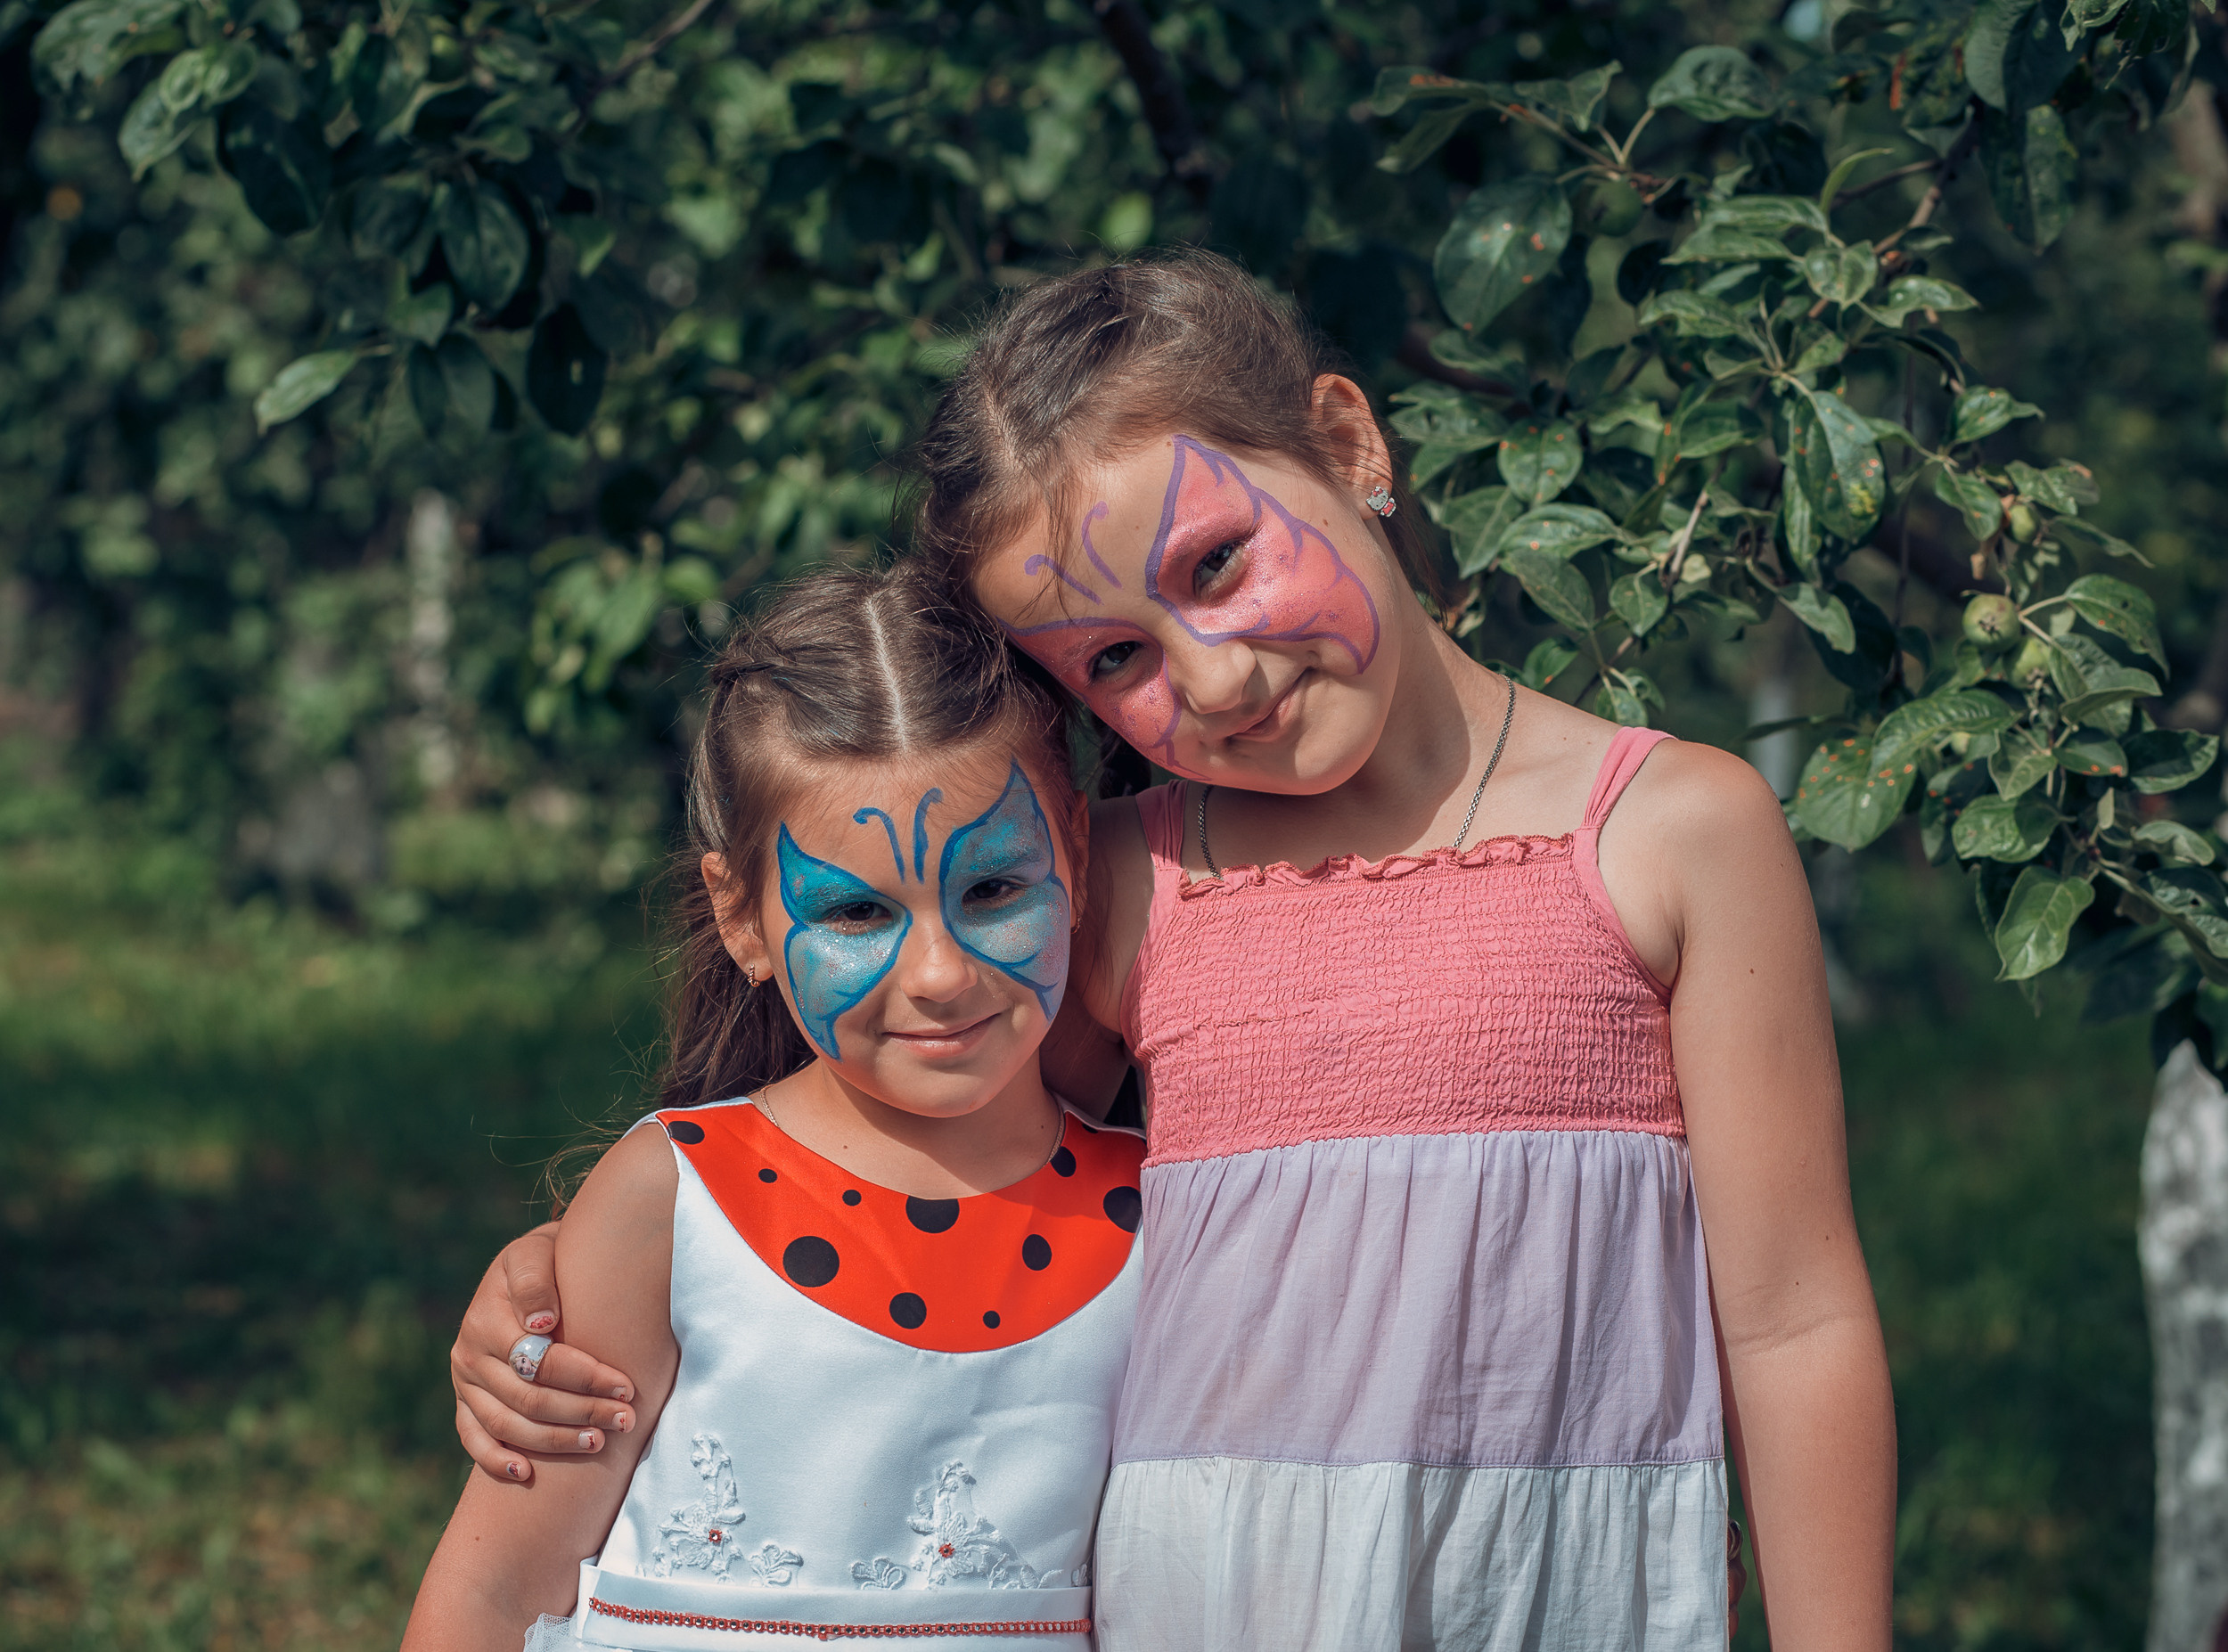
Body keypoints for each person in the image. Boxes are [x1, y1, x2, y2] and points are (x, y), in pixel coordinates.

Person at [447, 253, 1896, 1649]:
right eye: (1115, 662)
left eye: (1218, 561)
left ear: (1348, 442)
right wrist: (577, 1270)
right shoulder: (1128, 880)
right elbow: (900, 1152)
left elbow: (1792, 1318)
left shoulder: (1669, 830)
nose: (1209, 675)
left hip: (1554, 1592)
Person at [406, 566, 1145, 1651]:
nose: (938, 973)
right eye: (853, 910)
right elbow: (490, 1594)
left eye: (991, 889)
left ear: (1075, 858)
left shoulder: (1159, 1211)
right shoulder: (668, 1198)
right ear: (741, 917)